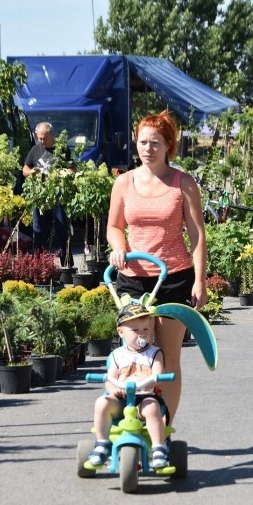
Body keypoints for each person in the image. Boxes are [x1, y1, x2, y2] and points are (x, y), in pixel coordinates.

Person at [107, 110, 207, 424]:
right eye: (143, 142)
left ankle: (164, 427)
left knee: (168, 358)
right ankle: (134, 423)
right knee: (135, 355)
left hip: (174, 278)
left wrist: (200, 280)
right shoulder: (124, 182)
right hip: (133, 280)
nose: (148, 148)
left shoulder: (183, 183)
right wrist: (119, 246)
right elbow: (113, 226)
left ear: (168, 146)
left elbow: (198, 235)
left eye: (156, 142)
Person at [86, 304, 170, 469]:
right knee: (102, 403)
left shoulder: (154, 353)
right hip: (121, 400)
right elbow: (110, 379)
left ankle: (158, 447)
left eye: (146, 329)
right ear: (121, 332)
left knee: (152, 408)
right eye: (136, 330)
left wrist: (151, 380)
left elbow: (158, 375)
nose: (142, 334)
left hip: (145, 398)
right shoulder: (117, 355)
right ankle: (102, 443)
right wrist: (113, 389)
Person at [22, 122, 70, 263]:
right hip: (41, 197)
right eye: (39, 138)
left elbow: (73, 168)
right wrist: (32, 172)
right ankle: (39, 264)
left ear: (52, 135)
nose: (41, 141)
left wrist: (61, 173)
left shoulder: (62, 149)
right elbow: (24, 169)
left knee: (62, 230)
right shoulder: (35, 150)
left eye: (43, 138)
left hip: (58, 196)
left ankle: (66, 262)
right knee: (39, 232)